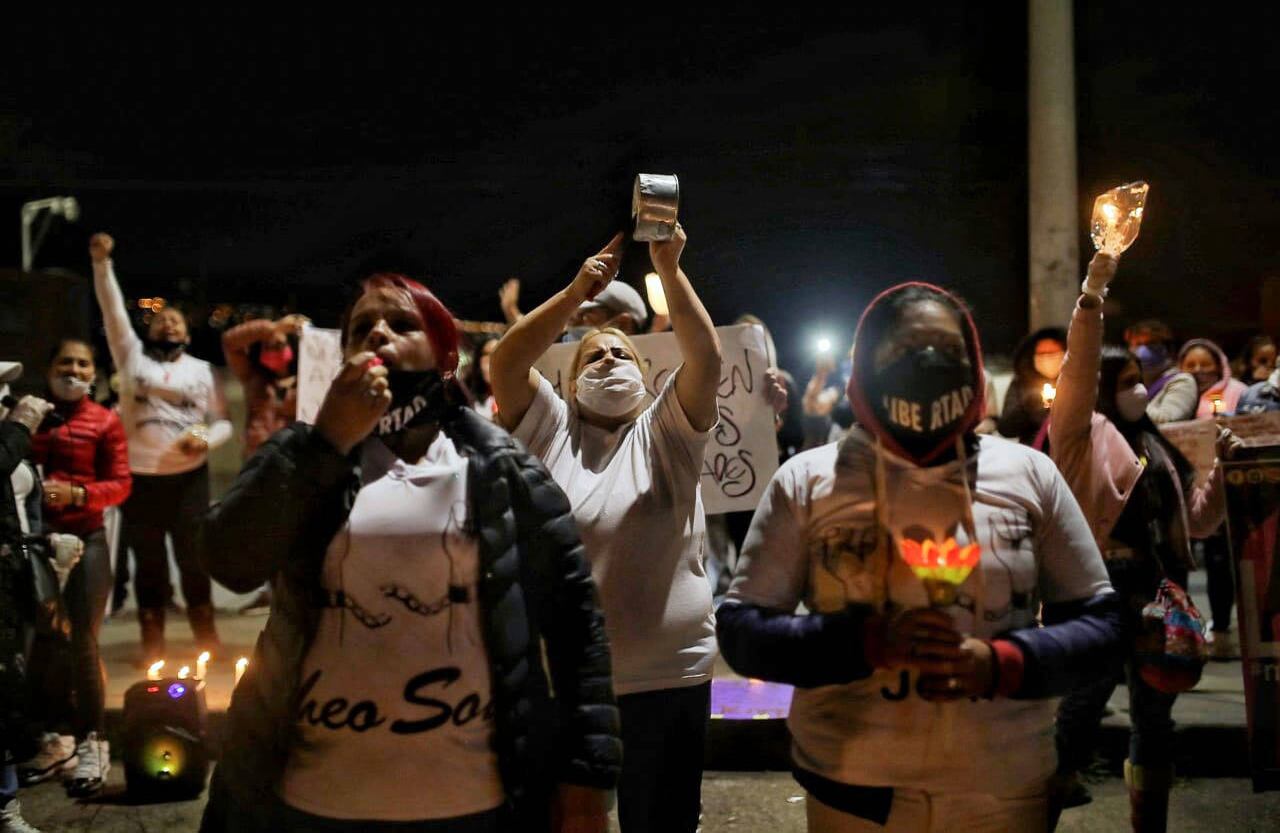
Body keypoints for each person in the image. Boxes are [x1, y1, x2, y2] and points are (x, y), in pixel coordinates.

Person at [199, 272, 619, 832]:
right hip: (314, 802)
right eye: (361, 328)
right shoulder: (306, 453)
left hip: (470, 802)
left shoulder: (500, 466)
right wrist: (325, 444)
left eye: (402, 324)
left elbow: (576, 625)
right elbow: (230, 562)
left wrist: (585, 779)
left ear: (444, 354)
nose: (378, 334)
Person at [716, 281, 1122, 833]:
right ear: (868, 367)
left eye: (949, 352)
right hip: (853, 791)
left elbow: (1100, 625)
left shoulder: (1030, 473)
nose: (930, 364)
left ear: (974, 365)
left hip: (1005, 787)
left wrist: (1003, 663)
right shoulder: (806, 481)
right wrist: (863, 643)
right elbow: (743, 631)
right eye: (906, 352)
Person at [490, 226, 720, 833]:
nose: (610, 360)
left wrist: (670, 270)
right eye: (594, 355)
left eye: (623, 354)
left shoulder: (667, 431)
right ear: (566, 384)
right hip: (566, 682)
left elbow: (708, 358)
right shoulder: (549, 430)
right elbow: (508, 360)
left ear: (648, 379)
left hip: (671, 676)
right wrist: (576, 292)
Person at [1051, 254, 1232, 831]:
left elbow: (1198, 524)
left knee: (1155, 719)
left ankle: (1148, 822)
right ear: (1101, 388)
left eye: (1140, 381)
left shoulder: (1156, 444)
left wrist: (1223, 471)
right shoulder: (1080, 433)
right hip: (1100, 592)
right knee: (1080, 710)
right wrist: (1092, 294)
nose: (1139, 390)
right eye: (1127, 381)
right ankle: (1044, 807)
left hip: (1159, 594)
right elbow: (1078, 367)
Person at [88, 233, 232, 663]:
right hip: (140, 478)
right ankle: (154, 645)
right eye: (160, 320)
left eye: (177, 320)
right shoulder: (133, 361)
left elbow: (222, 421)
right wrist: (102, 264)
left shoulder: (203, 371)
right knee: (148, 564)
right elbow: (113, 312)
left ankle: (206, 638)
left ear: (187, 331)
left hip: (189, 480)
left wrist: (203, 437)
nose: (168, 324)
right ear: (148, 328)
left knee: (193, 561)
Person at [20, 339, 131, 798]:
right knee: (43, 644)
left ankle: (92, 741)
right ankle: (53, 740)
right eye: (64, 361)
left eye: (83, 363)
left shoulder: (105, 421)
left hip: (87, 542)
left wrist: (80, 496)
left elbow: (121, 483)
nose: (73, 369)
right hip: (38, 543)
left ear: (94, 375)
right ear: (48, 370)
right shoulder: (29, 420)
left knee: (83, 643)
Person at [0, 373, 56, 833]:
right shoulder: (9, 435)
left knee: (9, 687)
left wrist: (44, 546)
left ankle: (5, 801)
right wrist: (17, 429)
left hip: (12, 578)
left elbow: (23, 500)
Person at [222, 313, 308, 457]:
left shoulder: (306, 380)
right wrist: (273, 328)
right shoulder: (253, 377)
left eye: (279, 345)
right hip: (258, 457)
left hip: (294, 457)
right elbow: (229, 341)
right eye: (268, 346)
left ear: (291, 347)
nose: (274, 350)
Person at [997, 327, 1066, 447]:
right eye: (1042, 354)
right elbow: (1006, 429)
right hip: (1035, 453)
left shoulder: (1078, 383)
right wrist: (1028, 405)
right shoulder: (1021, 383)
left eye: (1053, 353)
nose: (1047, 358)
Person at [1124, 320, 1197, 424]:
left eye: (1150, 344)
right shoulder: (1135, 382)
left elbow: (1167, 419)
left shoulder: (1182, 381)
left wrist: (1125, 401)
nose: (1142, 350)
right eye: (1138, 344)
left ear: (1168, 349)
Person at [1179, 338, 1248, 419]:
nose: (1197, 370)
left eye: (1205, 364)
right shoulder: (1173, 394)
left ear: (1219, 367)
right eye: (1190, 365)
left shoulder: (1239, 391)